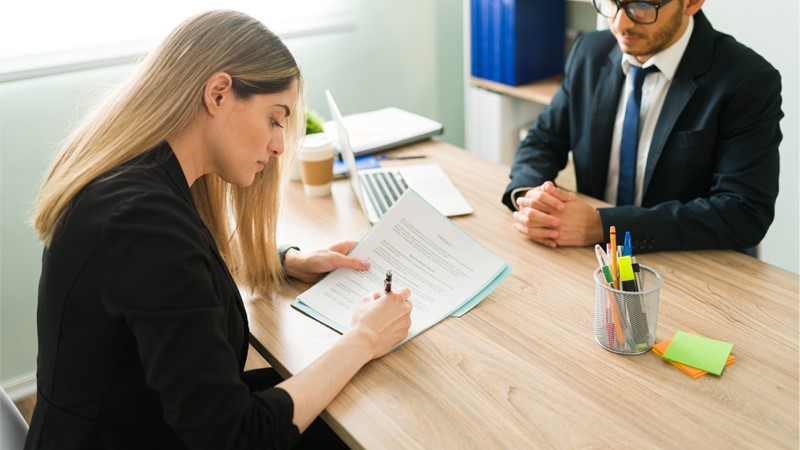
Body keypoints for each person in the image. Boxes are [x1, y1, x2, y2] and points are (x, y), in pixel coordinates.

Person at [25, 10, 412, 450]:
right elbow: (234, 437)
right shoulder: (143, 223)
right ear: (218, 93)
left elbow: (172, 274)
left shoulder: (139, 183)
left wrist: (283, 260)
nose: (279, 143)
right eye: (275, 118)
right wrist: (363, 339)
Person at [503, 0, 782, 253]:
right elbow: (543, 139)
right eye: (610, 2)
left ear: (692, 3)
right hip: (595, 259)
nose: (619, 23)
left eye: (642, 5)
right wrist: (531, 196)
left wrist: (603, 226)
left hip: (691, 265)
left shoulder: (747, 80)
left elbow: (743, 213)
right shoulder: (589, 51)